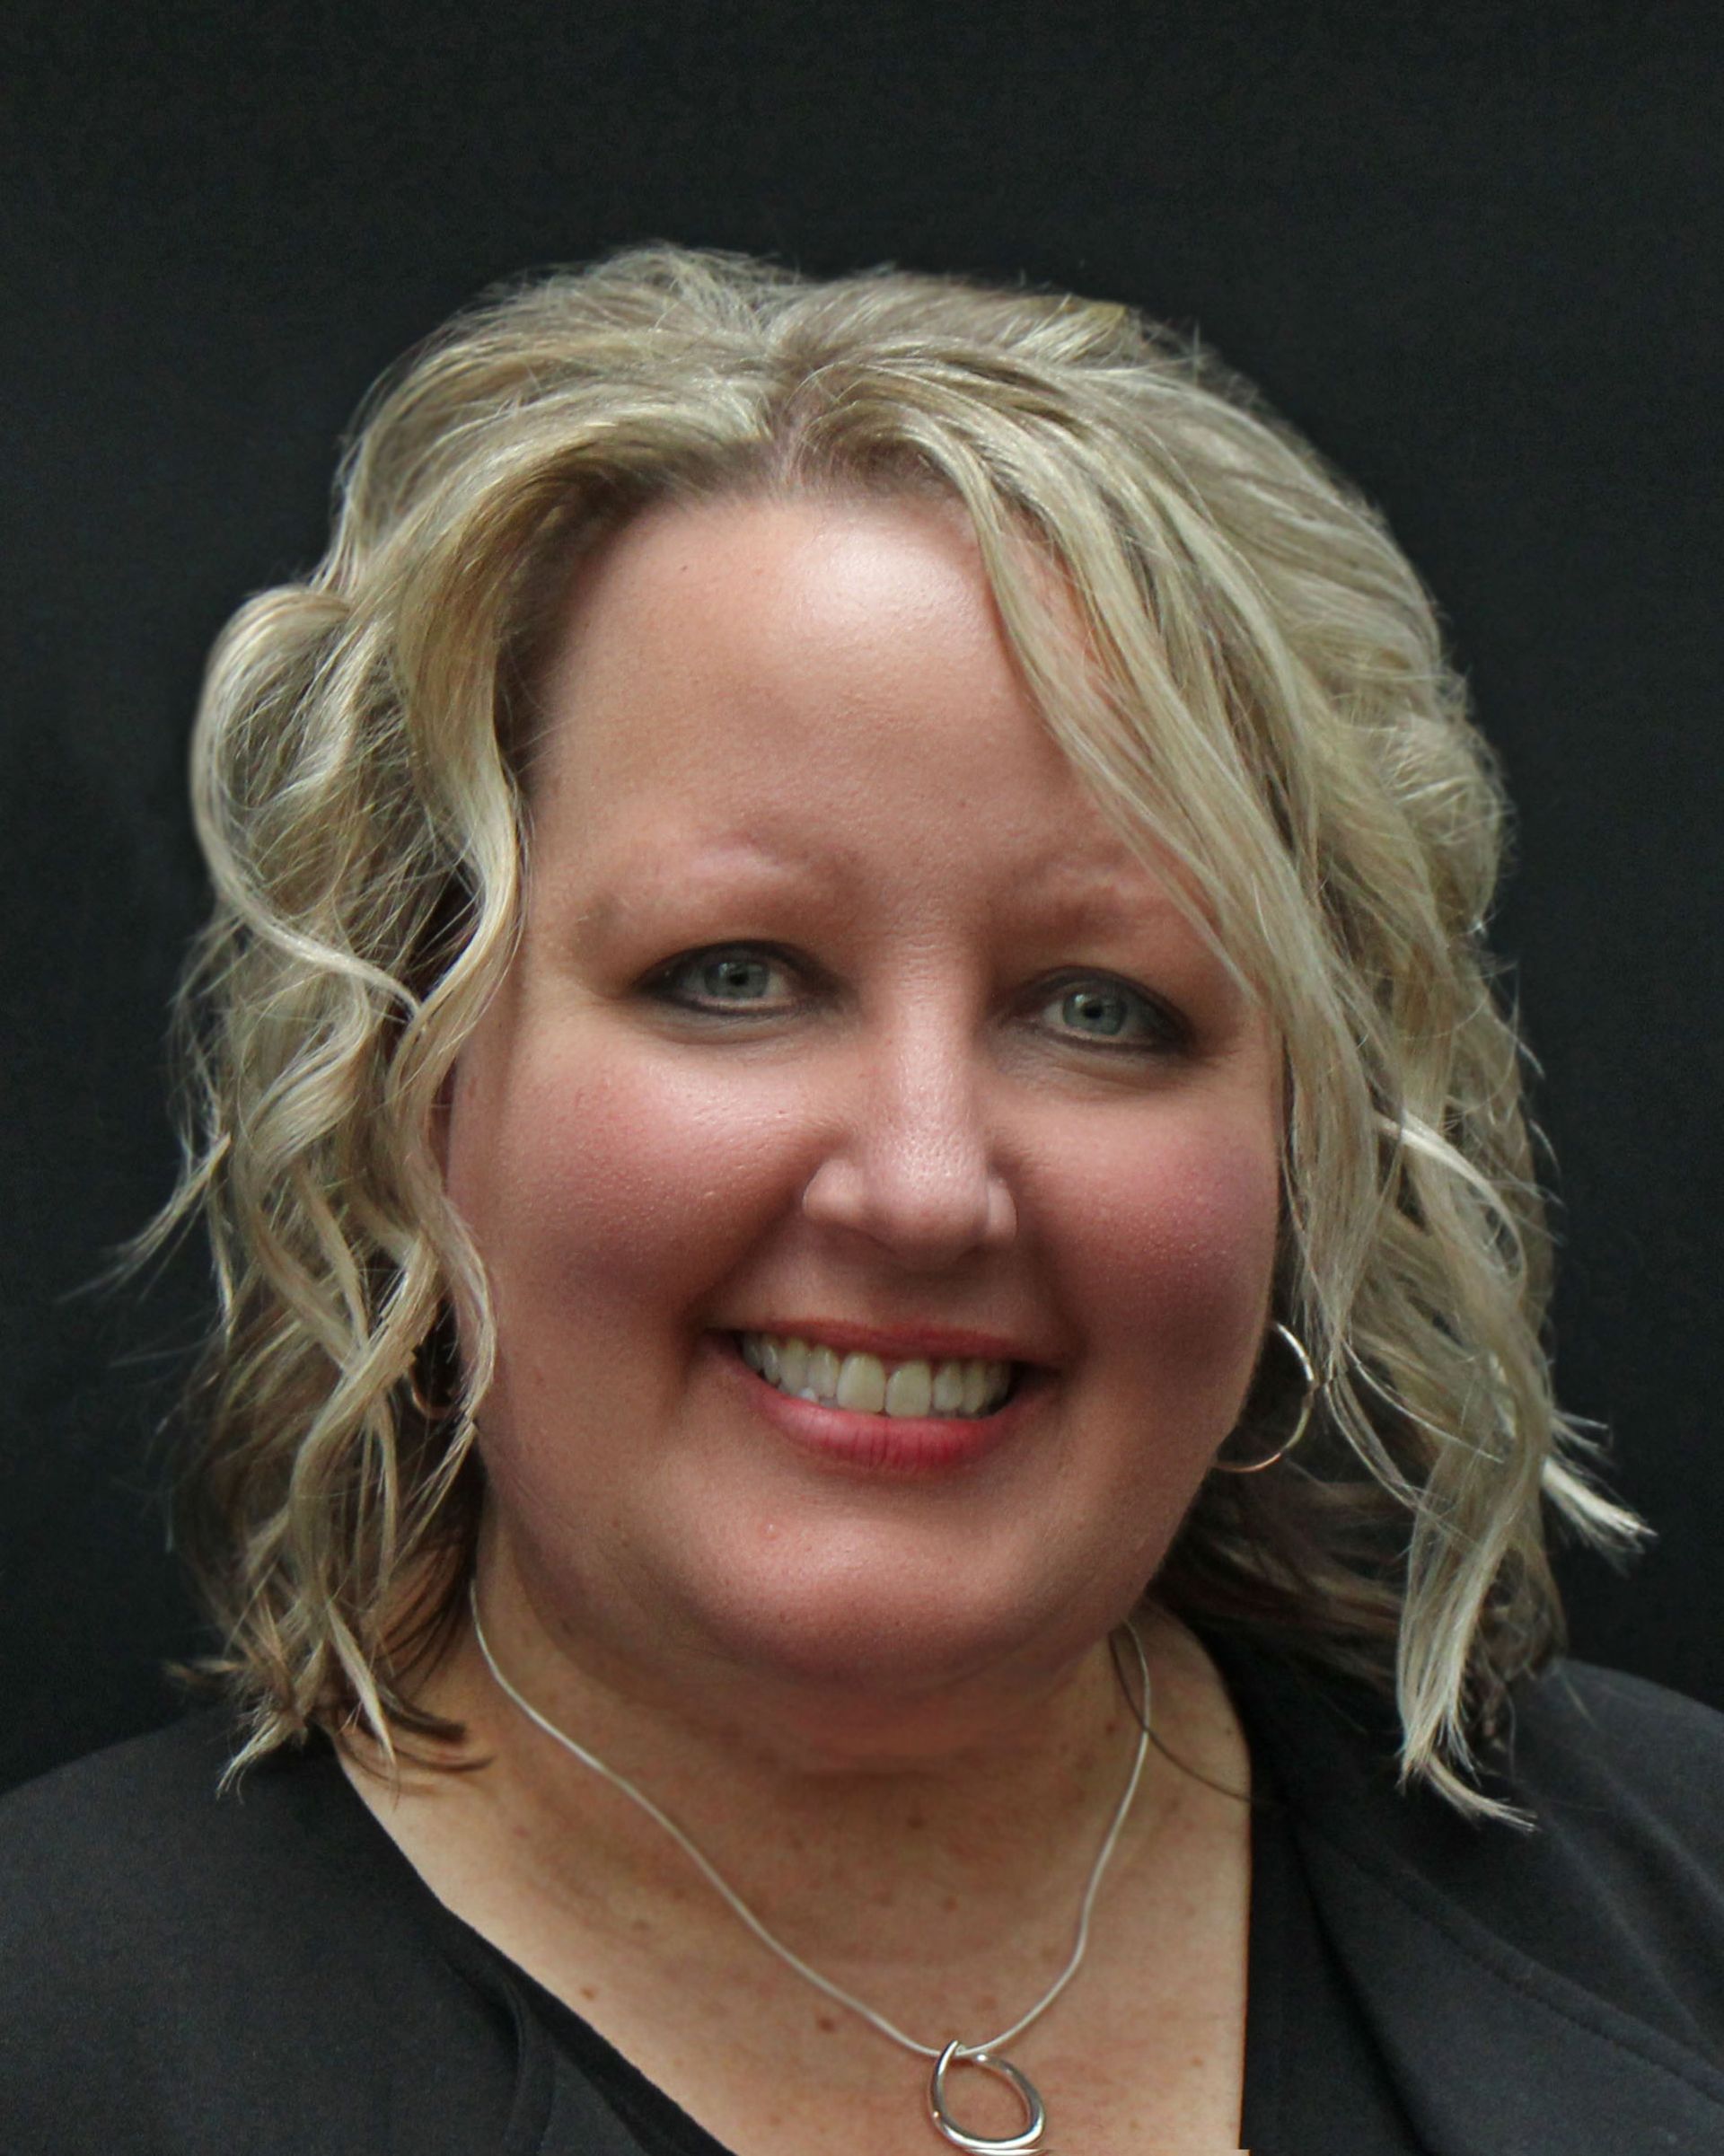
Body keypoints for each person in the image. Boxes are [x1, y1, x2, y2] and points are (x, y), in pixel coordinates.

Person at [3, 246, 1720, 2156]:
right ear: (414, 1077)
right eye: (734, 972)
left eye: (1101, 1006)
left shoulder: (1679, 1910)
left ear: (1304, 1138)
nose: (921, 1184)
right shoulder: (67, 2041)